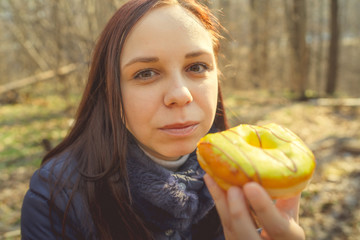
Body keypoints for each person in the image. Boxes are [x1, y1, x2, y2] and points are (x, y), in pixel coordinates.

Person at [21, 0, 305, 239]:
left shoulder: (251, 175)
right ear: (109, 92)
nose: (180, 95)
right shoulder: (56, 198)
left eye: (196, 67)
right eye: (145, 73)